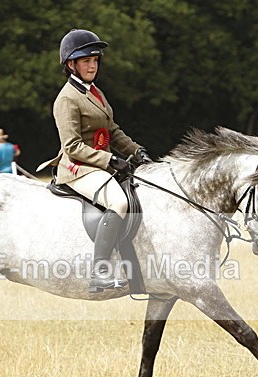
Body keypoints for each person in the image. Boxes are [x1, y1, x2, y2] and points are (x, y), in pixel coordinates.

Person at [43, 29, 152, 292]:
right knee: (118, 200)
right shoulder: (66, 99)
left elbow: (112, 130)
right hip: (77, 168)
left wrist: (137, 151)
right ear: (71, 65)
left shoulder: (94, 93)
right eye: (86, 61)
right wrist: (111, 160)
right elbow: (72, 146)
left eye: (95, 60)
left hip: (99, 164)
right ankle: (99, 271)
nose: (92, 65)